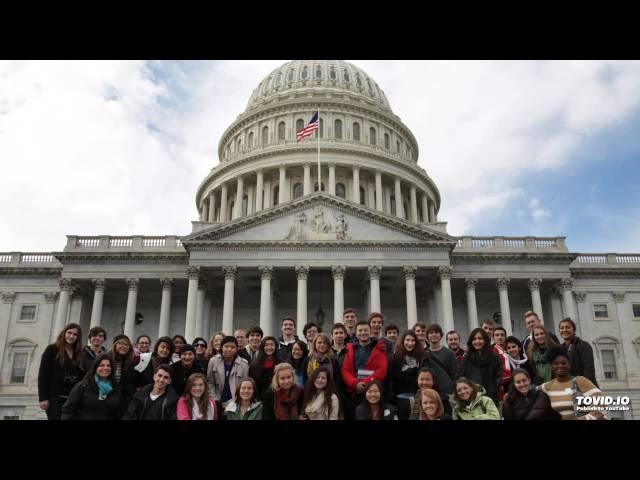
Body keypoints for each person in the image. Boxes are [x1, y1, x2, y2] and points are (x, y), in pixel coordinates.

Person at [541, 346, 605, 420]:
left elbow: (602, 403)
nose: (560, 366)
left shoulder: (580, 381)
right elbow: (528, 389)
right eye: (556, 363)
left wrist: (584, 418)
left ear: (569, 365)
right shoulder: (547, 386)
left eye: (563, 363)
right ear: (551, 366)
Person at [38, 323, 85, 420]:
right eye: (69, 333)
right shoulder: (52, 349)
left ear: (78, 337)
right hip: (55, 397)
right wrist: (43, 398)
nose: (71, 336)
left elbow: (82, 376)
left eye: (75, 334)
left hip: (73, 398)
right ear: (64, 333)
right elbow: (43, 374)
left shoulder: (79, 354)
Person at [341, 321, 388, 413]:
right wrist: (355, 384)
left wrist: (364, 384)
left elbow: (382, 370)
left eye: (366, 330)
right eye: (360, 330)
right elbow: (345, 370)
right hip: (354, 392)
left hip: (373, 391)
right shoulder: (350, 348)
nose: (363, 333)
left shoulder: (379, 347)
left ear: (370, 331)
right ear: (356, 333)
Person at [61, 353, 122, 420]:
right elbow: (67, 410)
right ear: (95, 367)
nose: (105, 368)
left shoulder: (116, 388)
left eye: (108, 366)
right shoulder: (83, 386)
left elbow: (118, 413)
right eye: (101, 365)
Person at [457, 328, 503, 403]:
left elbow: (498, 378)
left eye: (480, 338)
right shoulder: (466, 359)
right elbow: (461, 378)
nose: (477, 341)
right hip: (470, 399)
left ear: (485, 340)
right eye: (474, 339)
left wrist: (489, 394)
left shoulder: (494, 358)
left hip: (490, 399)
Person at [207, 336, 249, 408]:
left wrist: (239, 401)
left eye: (232, 347)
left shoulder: (244, 365)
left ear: (236, 349)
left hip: (235, 402)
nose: (229, 349)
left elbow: (244, 385)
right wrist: (214, 399)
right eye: (226, 346)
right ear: (222, 347)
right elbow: (210, 381)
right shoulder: (213, 361)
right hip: (217, 400)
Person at [391, 331, 424, 420]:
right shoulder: (396, 357)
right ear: (403, 341)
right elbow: (395, 377)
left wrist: (408, 374)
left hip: (419, 396)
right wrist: (412, 371)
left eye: (413, 340)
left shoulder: (421, 356)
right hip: (401, 397)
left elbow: (422, 375)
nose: (410, 343)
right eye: (407, 340)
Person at [559, 317, 598, 386]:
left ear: (574, 330)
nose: (564, 330)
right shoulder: (560, 349)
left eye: (568, 327)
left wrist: (583, 387)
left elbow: (589, 370)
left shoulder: (584, 346)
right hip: (568, 388)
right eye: (562, 328)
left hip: (584, 388)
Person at [107, 334, 140, 413]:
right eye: (120, 343)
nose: (123, 346)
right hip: (107, 397)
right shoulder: (106, 358)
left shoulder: (131, 362)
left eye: (126, 344)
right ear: (114, 345)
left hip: (123, 400)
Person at [368, 312, 395, 402]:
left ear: (382, 325)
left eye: (379, 322)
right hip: (368, 382)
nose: (376, 324)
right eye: (374, 322)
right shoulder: (365, 342)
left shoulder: (388, 343)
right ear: (369, 324)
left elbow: (390, 364)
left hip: (384, 383)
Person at [492, 327, 512, 401]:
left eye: (502, 335)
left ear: (505, 337)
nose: (500, 337)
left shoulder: (509, 350)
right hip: (501, 386)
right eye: (497, 335)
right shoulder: (493, 352)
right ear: (493, 338)